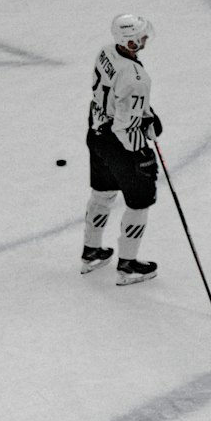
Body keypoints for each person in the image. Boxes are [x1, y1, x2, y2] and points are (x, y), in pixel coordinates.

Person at [81, 14, 161, 285]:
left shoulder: (106, 52)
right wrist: (142, 153)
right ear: (130, 41)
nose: (145, 39)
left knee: (102, 194)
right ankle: (127, 265)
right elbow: (125, 128)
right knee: (139, 203)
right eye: (141, 36)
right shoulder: (137, 77)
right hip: (120, 146)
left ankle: (91, 252)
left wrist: (146, 114)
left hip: (96, 132)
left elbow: (117, 97)